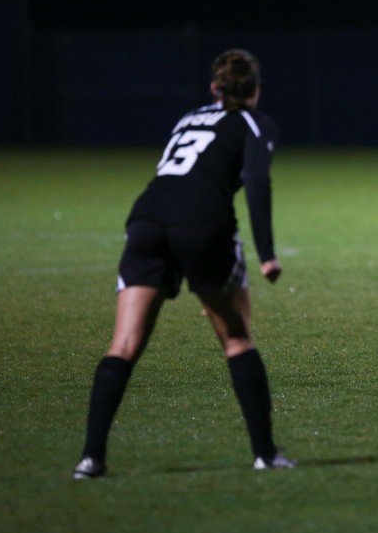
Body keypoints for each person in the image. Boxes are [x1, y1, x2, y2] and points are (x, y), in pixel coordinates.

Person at [73, 48, 294, 479]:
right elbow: (255, 182)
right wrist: (266, 253)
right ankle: (265, 453)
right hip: (202, 225)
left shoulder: (187, 118)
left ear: (214, 88)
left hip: (146, 220)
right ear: (255, 90)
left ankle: (90, 458)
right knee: (236, 340)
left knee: (123, 346)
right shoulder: (255, 121)